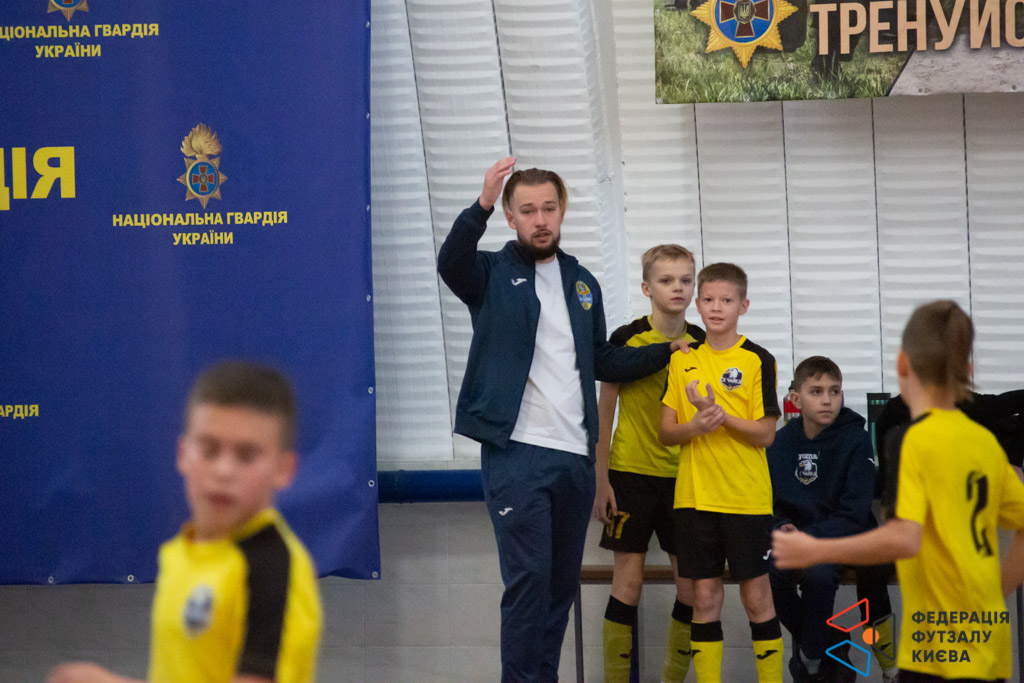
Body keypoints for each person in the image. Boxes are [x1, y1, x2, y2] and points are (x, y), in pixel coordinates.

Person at [437, 158, 686, 682]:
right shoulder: (489, 273)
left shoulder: (582, 282)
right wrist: (482, 203)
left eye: (548, 208)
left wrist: (665, 351)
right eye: (527, 210)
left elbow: (602, 360)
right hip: (517, 452)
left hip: (575, 458)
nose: (540, 219)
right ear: (511, 217)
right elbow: (451, 262)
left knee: (558, 590)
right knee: (528, 582)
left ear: (562, 211)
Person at [773, 300, 1024, 682]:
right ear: (968, 371)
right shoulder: (987, 445)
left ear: (903, 366)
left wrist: (817, 549)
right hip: (986, 633)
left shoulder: (909, 440)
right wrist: (997, 592)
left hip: (936, 639)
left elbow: (904, 538)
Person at [47, 361, 323, 683]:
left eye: (246, 455)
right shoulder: (180, 551)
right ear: (183, 454)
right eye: (209, 450)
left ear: (284, 470)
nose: (223, 470)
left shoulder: (273, 568)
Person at [659, 262, 784, 683]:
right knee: (704, 599)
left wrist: (719, 416)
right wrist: (695, 425)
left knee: (756, 598)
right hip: (694, 500)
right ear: (697, 304)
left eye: (726, 300)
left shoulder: (758, 359)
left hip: (746, 499)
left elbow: (766, 434)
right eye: (709, 300)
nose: (716, 308)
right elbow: (665, 432)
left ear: (743, 306)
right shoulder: (683, 360)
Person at [593, 244, 705, 683]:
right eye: (666, 280)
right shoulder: (626, 339)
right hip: (630, 476)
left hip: (686, 479)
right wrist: (601, 480)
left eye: (686, 280)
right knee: (628, 583)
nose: (678, 287)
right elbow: (604, 414)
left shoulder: (703, 342)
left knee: (692, 590)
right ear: (646, 287)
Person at [767, 356, 896, 683]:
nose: (827, 399)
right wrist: (780, 526)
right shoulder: (780, 443)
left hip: (846, 537)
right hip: (799, 539)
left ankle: (813, 663)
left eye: (834, 391)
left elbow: (854, 512)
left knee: (819, 574)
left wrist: (809, 540)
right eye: (816, 391)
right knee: (766, 572)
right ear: (796, 399)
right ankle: (830, 643)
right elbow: (769, 503)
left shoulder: (855, 439)